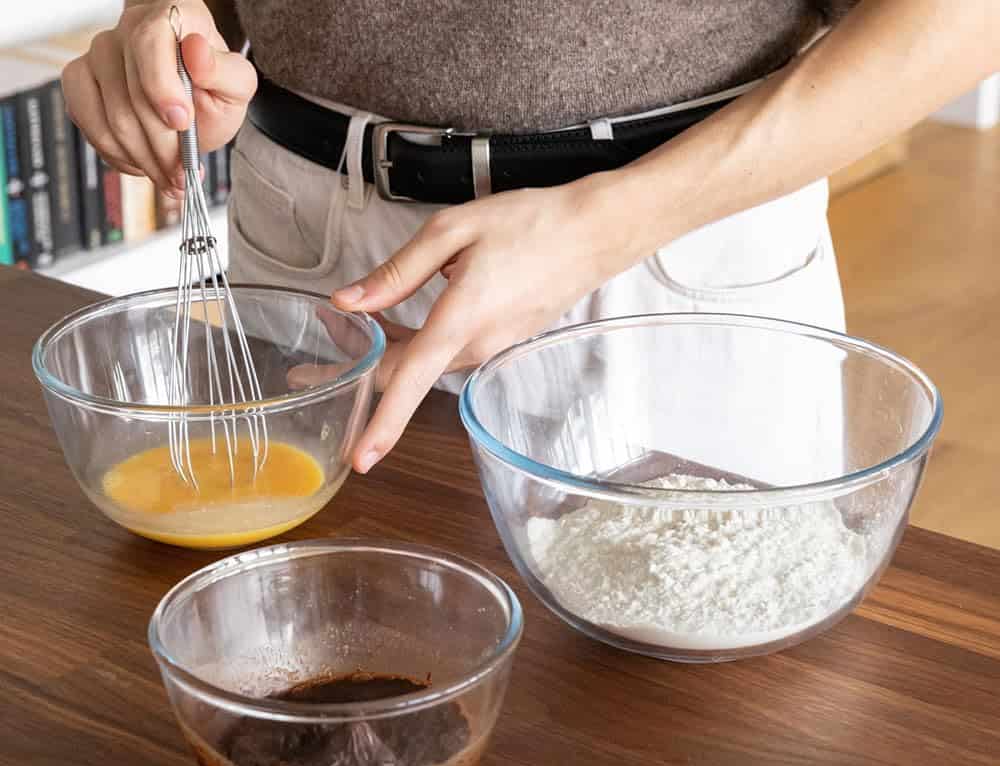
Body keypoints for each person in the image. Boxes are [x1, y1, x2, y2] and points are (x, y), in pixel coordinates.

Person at [62, 1, 997, 476]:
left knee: (692, 759)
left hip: (662, 248)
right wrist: (163, 18)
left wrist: (607, 224)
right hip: (303, 241)